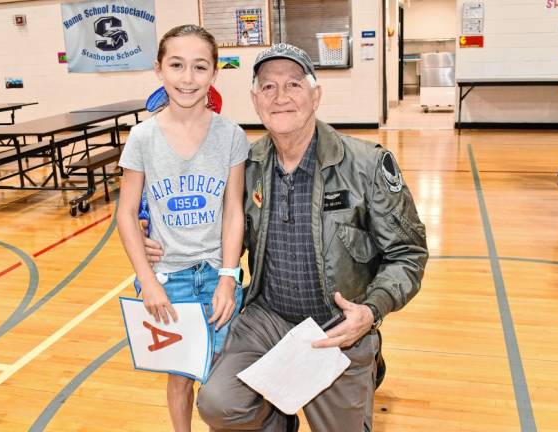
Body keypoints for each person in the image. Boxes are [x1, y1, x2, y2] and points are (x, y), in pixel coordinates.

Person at [143, 43, 428, 431]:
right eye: (268, 87)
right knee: (218, 404)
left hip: (336, 325)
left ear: (315, 95)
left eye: (293, 84)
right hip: (268, 317)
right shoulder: (247, 166)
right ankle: (279, 418)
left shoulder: (366, 165)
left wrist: (372, 310)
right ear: (255, 100)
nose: (280, 97)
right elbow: (223, 230)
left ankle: (367, 356)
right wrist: (161, 238)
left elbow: (408, 254)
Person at [116, 24, 249, 431]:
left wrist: (228, 277)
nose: (187, 78)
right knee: (180, 376)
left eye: (199, 67)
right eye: (176, 65)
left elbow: (233, 210)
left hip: (214, 275)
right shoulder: (141, 138)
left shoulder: (231, 135)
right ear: (159, 69)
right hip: (167, 277)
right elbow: (125, 214)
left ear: (214, 73)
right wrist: (148, 281)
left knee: (218, 379)